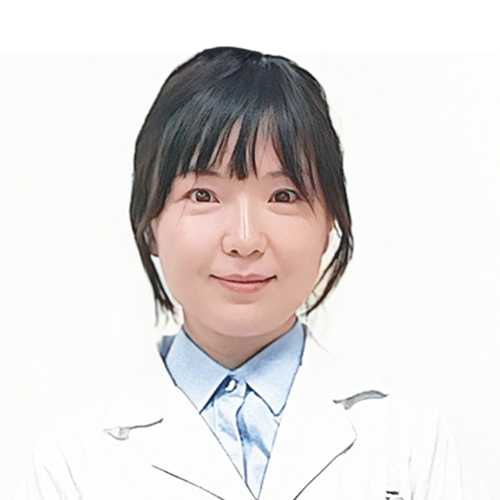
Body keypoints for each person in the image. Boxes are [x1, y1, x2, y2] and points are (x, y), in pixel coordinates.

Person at [15, 47, 490, 500]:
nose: (244, 239)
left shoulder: (410, 442)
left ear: (330, 224)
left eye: (283, 196)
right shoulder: (73, 465)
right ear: (150, 224)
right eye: (203, 195)